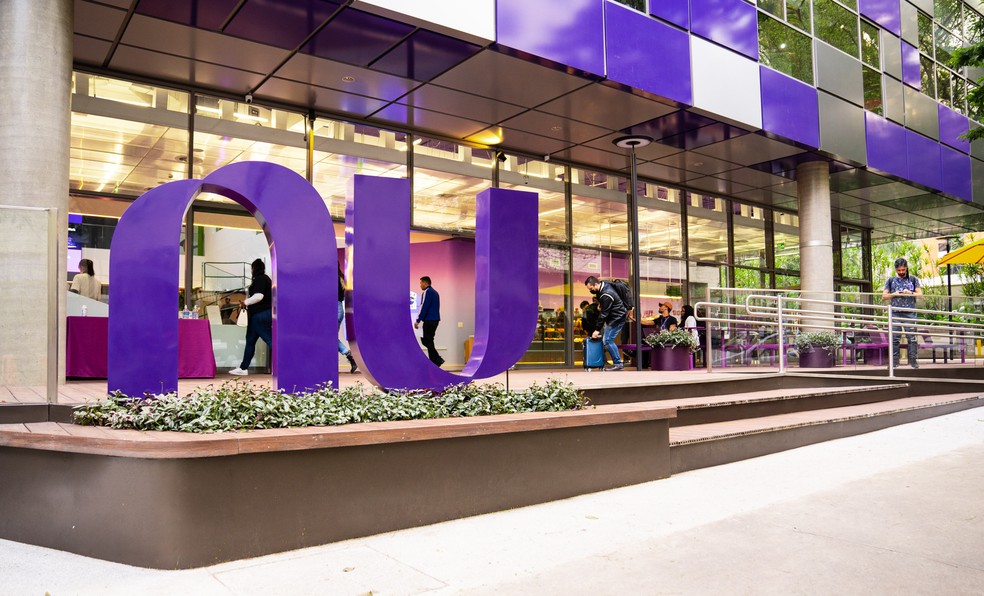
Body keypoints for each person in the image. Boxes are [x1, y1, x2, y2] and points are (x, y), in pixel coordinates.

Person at [230, 258, 273, 376]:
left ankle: (285, 364)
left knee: (270, 340)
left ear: (254, 269)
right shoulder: (266, 279)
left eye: (251, 268)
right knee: (250, 341)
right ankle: (243, 368)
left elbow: (259, 296)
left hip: (260, 315)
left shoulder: (260, 279)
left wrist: (245, 302)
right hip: (260, 315)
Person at [882, 257, 922, 369]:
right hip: (895, 312)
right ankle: (894, 362)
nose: (901, 272)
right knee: (895, 338)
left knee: (912, 338)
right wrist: (894, 294)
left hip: (910, 312)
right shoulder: (890, 281)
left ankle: (913, 362)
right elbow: (884, 296)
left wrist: (911, 293)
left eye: (903, 270)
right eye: (899, 270)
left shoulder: (913, 279)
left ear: (906, 268)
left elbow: (921, 295)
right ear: (896, 269)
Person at [583, 276, 628, 371]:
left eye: (591, 289)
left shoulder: (606, 294)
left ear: (595, 284)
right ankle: (618, 363)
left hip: (616, 319)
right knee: (607, 340)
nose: (591, 291)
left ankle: (618, 364)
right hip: (616, 317)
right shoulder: (604, 285)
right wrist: (601, 305)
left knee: (607, 340)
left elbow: (603, 314)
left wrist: (596, 330)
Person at [414, 276, 443, 367]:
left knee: (426, 341)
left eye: (421, 283)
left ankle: (437, 360)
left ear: (425, 283)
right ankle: (434, 361)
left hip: (429, 320)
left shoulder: (427, 292)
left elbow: (424, 306)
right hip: (435, 320)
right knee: (429, 340)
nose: (420, 285)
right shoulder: (435, 293)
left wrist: (418, 320)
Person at [337, 264, 358, 373]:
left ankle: (349, 354)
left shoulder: (332, 277)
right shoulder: (340, 277)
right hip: (339, 307)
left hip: (334, 307)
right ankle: (349, 355)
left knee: (329, 337)